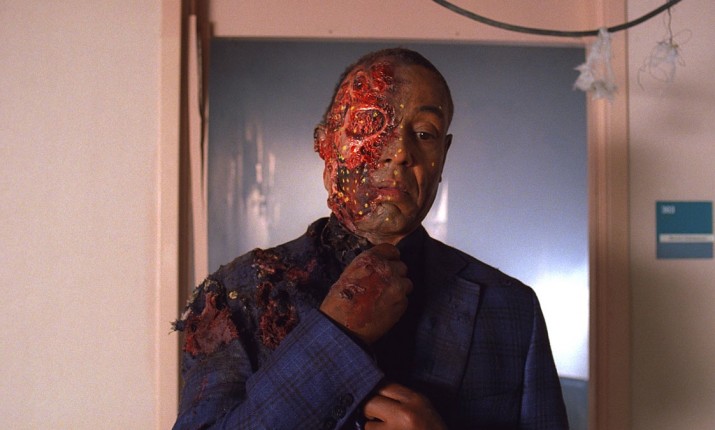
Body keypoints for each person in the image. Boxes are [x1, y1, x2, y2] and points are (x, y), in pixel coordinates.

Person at [172, 47, 568, 429]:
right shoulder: (236, 294)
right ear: (326, 144)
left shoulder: (509, 308)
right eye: (370, 123)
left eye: (424, 133)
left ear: (443, 155)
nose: (400, 152)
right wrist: (335, 334)